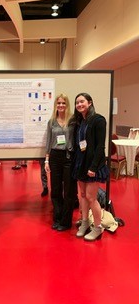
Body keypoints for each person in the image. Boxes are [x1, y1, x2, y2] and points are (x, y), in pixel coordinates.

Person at [69, 92, 109, 241]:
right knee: (83, 196)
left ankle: (98, 228)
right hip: (80, 164)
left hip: (93, 165)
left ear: (90, 103)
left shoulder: (98, 120)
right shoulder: (80, 122)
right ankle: (85, 223)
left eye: (82, 102)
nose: (79, 104)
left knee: (92, 198)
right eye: (77, 102)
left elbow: (100, 147)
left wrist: (93, 167)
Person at [44, 94, 77, 231]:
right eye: (59, 103)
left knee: (69, 191)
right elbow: (48, 141)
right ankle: (57, 218)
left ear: (67, 104)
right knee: (56, 190)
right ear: (55, 105)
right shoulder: (52, 121)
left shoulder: (73, 120)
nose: (61, 105)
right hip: (55, 157)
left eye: (63, 103)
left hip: (69, 157)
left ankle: (66, 221)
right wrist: (46, 159)